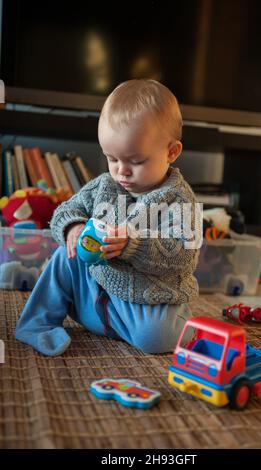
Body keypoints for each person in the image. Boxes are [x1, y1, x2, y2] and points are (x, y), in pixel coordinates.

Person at [15, 79, 202, 356]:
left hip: (148, 297)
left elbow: (184, 256)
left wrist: (133, 245)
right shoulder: (105, 185)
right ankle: (38, 323)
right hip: (97, 289)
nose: (121, 171)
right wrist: (73, 228)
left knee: (155, 339)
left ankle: (155, 324)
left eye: (136, 161)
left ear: (171, 152)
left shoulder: (181, 200)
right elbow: (64, 211)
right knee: (65, 254)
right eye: (112, 159)